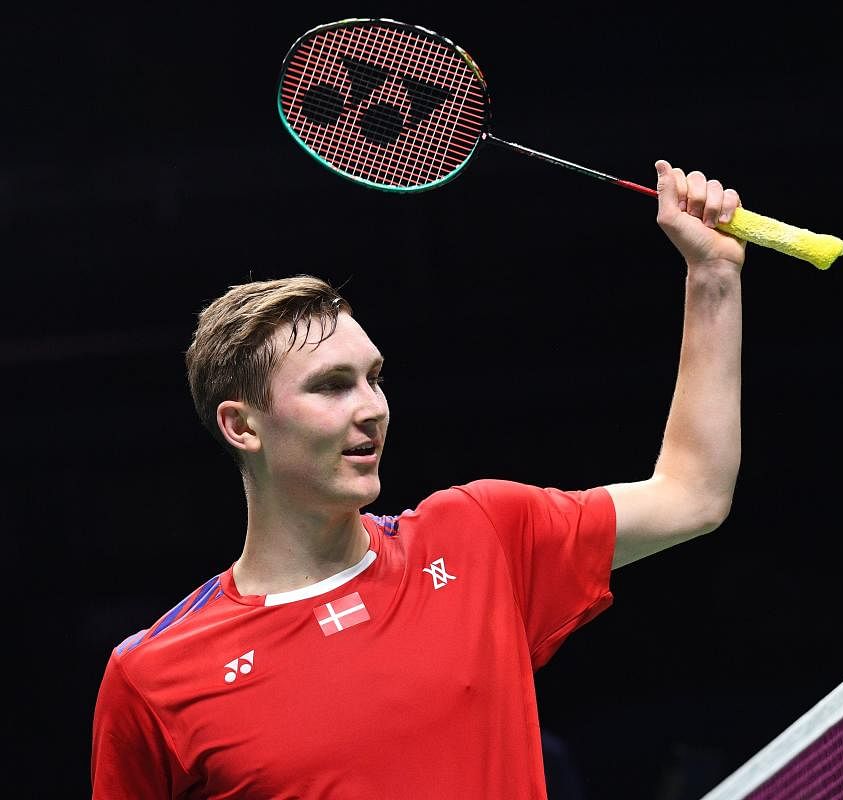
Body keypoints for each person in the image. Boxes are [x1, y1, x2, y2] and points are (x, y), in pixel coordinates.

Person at [90, 159, 745, 798]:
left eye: (374, 378)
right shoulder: (155, 677)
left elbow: (693, 495)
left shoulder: (478, 535)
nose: (371, 408)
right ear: (243, 426)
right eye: (331, 387)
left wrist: (712, 277)